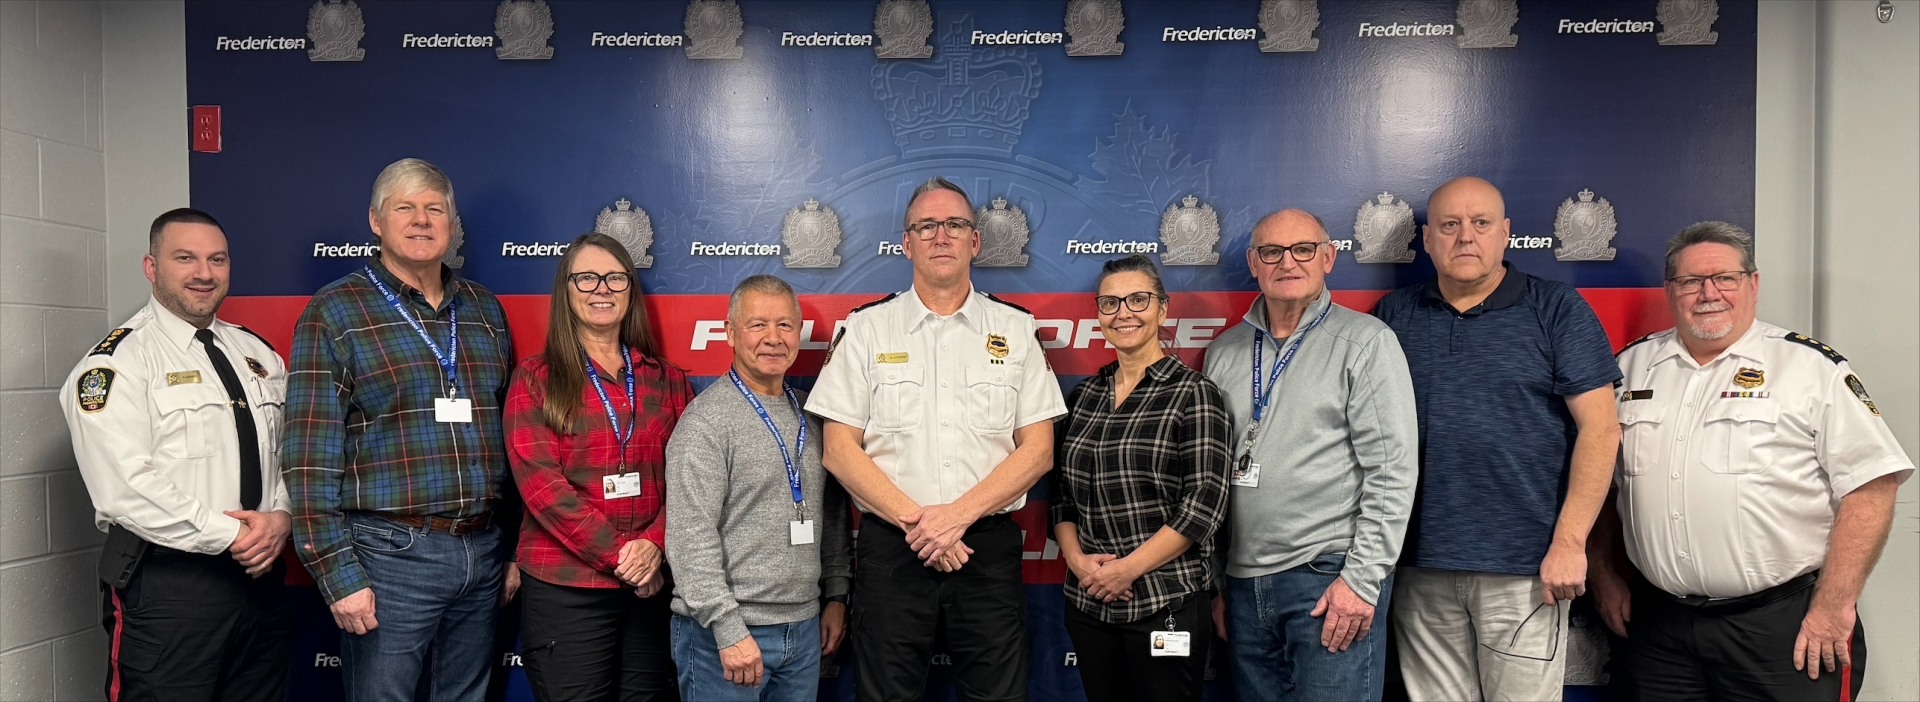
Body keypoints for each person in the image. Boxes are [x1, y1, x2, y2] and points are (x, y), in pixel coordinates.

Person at [1590, 221, 1912, 701]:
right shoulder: (1628, 368)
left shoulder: (1809, 369)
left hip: (1779, 626)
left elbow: (1872, 487)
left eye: (1725, 278)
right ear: (1670, 290)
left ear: (1753, 284)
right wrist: (1602, 573)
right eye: (1691, 281)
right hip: (1659, 626)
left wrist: (1834, 606)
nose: (1709, 293)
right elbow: (1597, 480)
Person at [805, 177, 1068, 701]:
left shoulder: (1015, 329)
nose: (940, 235)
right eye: (926, 226)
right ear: (906, 243)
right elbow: (838, 449)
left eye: (955, 225)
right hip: (892, 548)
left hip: (985, 549)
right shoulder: (866, 329)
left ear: (975, 240)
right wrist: (922, 524)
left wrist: (956, 517)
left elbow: (1038, 450)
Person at [1371, 177, 1622, 701]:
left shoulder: (1556, 309)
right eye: (1449, 225)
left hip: (1526, 569)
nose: (1466, 237)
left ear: (1505, 233)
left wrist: (1570, 543)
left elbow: (1600, 430)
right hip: (1419, 565)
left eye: (1481, 223)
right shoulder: (1395, 315)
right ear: (1427, 238)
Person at [283, 158, 519, 702]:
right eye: (404, 208)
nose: (421, 220)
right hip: (388, 555)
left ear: (452, 225)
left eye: (435, 208)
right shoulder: (335, 311)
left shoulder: (483, 310)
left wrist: (510, 548)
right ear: (375, 220)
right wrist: (338, 575)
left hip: (480, 550)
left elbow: (507, 438)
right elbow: (308, 457)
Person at [63, 208, 294, 701]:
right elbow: (124, 489)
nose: (204, 273)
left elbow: (285, 449)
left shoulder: (257, 353)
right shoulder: (116, 365)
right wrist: (234, 533)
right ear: (152, 267)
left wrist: (281, 517)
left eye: (217, 259)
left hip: (261, 580)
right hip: (169, 585)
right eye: (185, 258)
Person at [1203, 209, 1419, 702]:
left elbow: (1392, 471)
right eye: (1272, 252)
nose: (1288, 262)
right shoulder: (1225, 351)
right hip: (1242, 582)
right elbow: (1210, 476)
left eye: (1303, 249)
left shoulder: (1365, 342)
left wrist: (1361, 581)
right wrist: (1219, 584)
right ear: (1253, 263)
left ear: (1328, 257)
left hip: (1327, 579)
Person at [504, 233, 689, 701]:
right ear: (566, 290)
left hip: (650, 587)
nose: (601, 288)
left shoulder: (666, 379)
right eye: (586, 277)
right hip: (567, 588)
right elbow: (543, 488)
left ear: (631, 289)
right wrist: (625, 558)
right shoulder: (535, 378)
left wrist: (653, 544)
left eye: (614, 277)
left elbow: (693, 479)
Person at [1051, 255, 1231, 702]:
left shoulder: (1193, 393)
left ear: (1163, 309)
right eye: (1110, 303)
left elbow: (1203, 507)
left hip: (1165, 600)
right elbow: (1062, 498)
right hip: (1090, 600)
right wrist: (1076, 562)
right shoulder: (1085, 397)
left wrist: (1126, 570)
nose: (1123, 313)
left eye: (1137, 299)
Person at [664, 274, 853, 701]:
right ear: (730, 332)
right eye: (758, 325)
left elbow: (834, 513)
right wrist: (729, 629)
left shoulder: (812, 415)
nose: (773, 338)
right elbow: (690, 537)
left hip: (804, 631)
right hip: (726, 635)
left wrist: (837, 595)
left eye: (785, 325)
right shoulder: (706, 424)